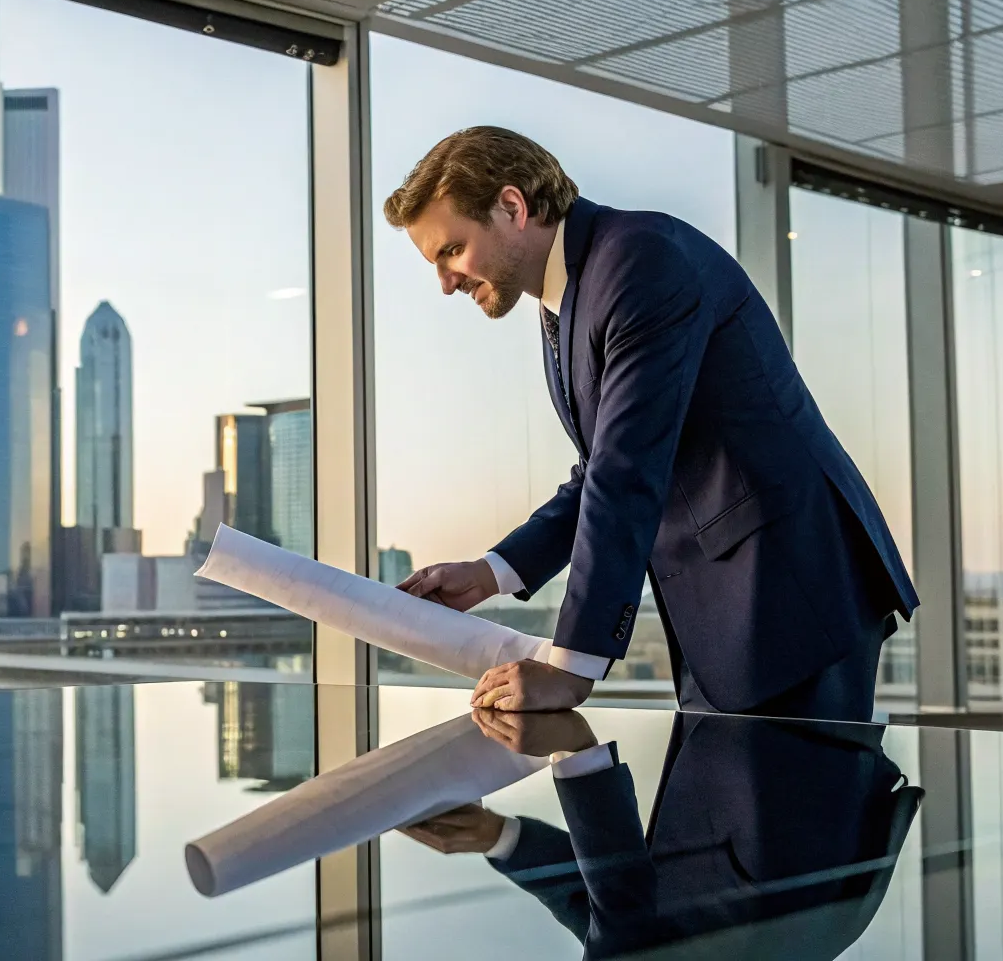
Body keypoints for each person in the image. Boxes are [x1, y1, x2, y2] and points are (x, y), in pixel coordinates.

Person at [388, 126, 916, 722]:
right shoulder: (569, 298)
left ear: (512, 207)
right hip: (732, 609)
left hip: (792, 596)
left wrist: (571, 665)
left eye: (451, 250)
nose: (446, 281)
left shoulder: (639, 259)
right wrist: (493, 573)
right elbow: (601, 467)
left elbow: (626, 469)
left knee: (798, 810)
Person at [401, 709, 921, 958]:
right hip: (772, 755)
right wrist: (576, 752)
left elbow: (617, 925)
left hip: (819, 757)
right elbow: (623, 925)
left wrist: (499, 837)